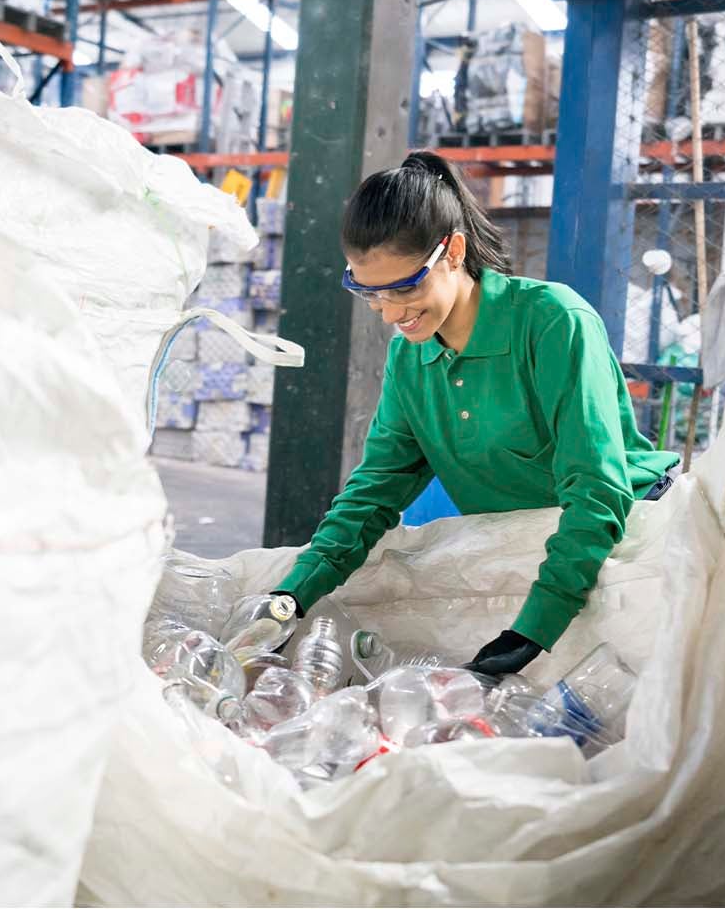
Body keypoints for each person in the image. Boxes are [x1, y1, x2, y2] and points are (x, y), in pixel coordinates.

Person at [273, 151, 681, 676]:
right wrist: (292, 594)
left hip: (622, 538)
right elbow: (374, 489)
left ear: (454, 252)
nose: (392, 314)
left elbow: (595, 487)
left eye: (406, 287)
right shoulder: (411, 355)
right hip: (523, 545)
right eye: (369, 293)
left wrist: (536, 624)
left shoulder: (553, 322)